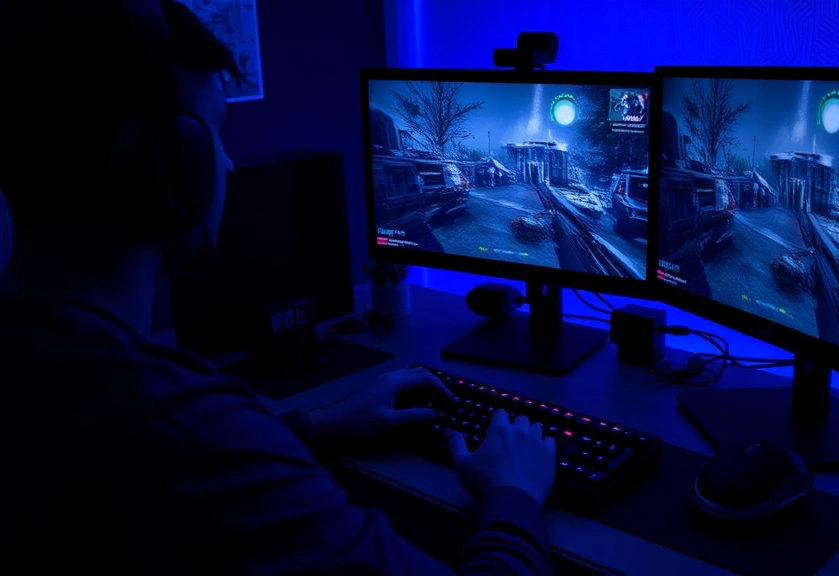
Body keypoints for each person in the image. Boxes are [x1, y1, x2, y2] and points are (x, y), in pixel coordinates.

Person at [0, 1, 556, 574]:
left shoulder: (48, 373)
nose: (229, 164)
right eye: (215, 131)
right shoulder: (176, 427)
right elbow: (201, 455)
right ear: (174, 166)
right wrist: (515, 495)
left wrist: (313, 426)